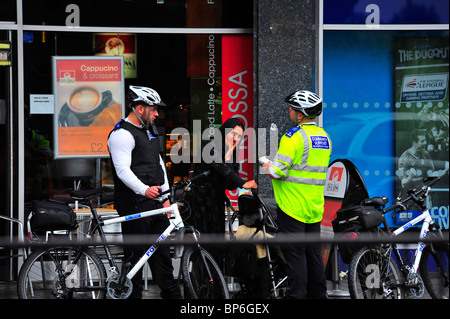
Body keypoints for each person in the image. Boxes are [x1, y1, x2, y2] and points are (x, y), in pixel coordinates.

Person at [107, 85, 181, 299]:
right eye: (154, 109)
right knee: (135, 262)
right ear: (140, 108)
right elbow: (122, 171)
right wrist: (144, 190)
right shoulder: (121, 134)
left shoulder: (149, 131)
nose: (157, 114)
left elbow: (159, 165)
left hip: (156, 204)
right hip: (134, 203)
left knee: (163, 261)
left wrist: (166, 198)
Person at [262, 90, 332, 299]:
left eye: (292, 109)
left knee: (295, 255)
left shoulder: (293, 137)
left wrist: (267, 164)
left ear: (300, 115)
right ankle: (318, 295)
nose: (289, 112)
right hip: (314, 206)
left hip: (292, 206)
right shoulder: (324, 137)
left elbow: (277, 172)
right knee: (314, 254)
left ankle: (297, 296)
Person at [186, 118, 258, 264]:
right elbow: (220, 167)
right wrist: (243, 183)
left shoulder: (230, 151)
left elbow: (230, 184)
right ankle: (199, 283)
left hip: (216, 202)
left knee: (217, 244)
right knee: (202, 245)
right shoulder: (209, 144)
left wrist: (230, 153)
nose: (235, 138)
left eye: (239, 136)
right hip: (199, 201)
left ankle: (216, 284)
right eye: (233, 133)